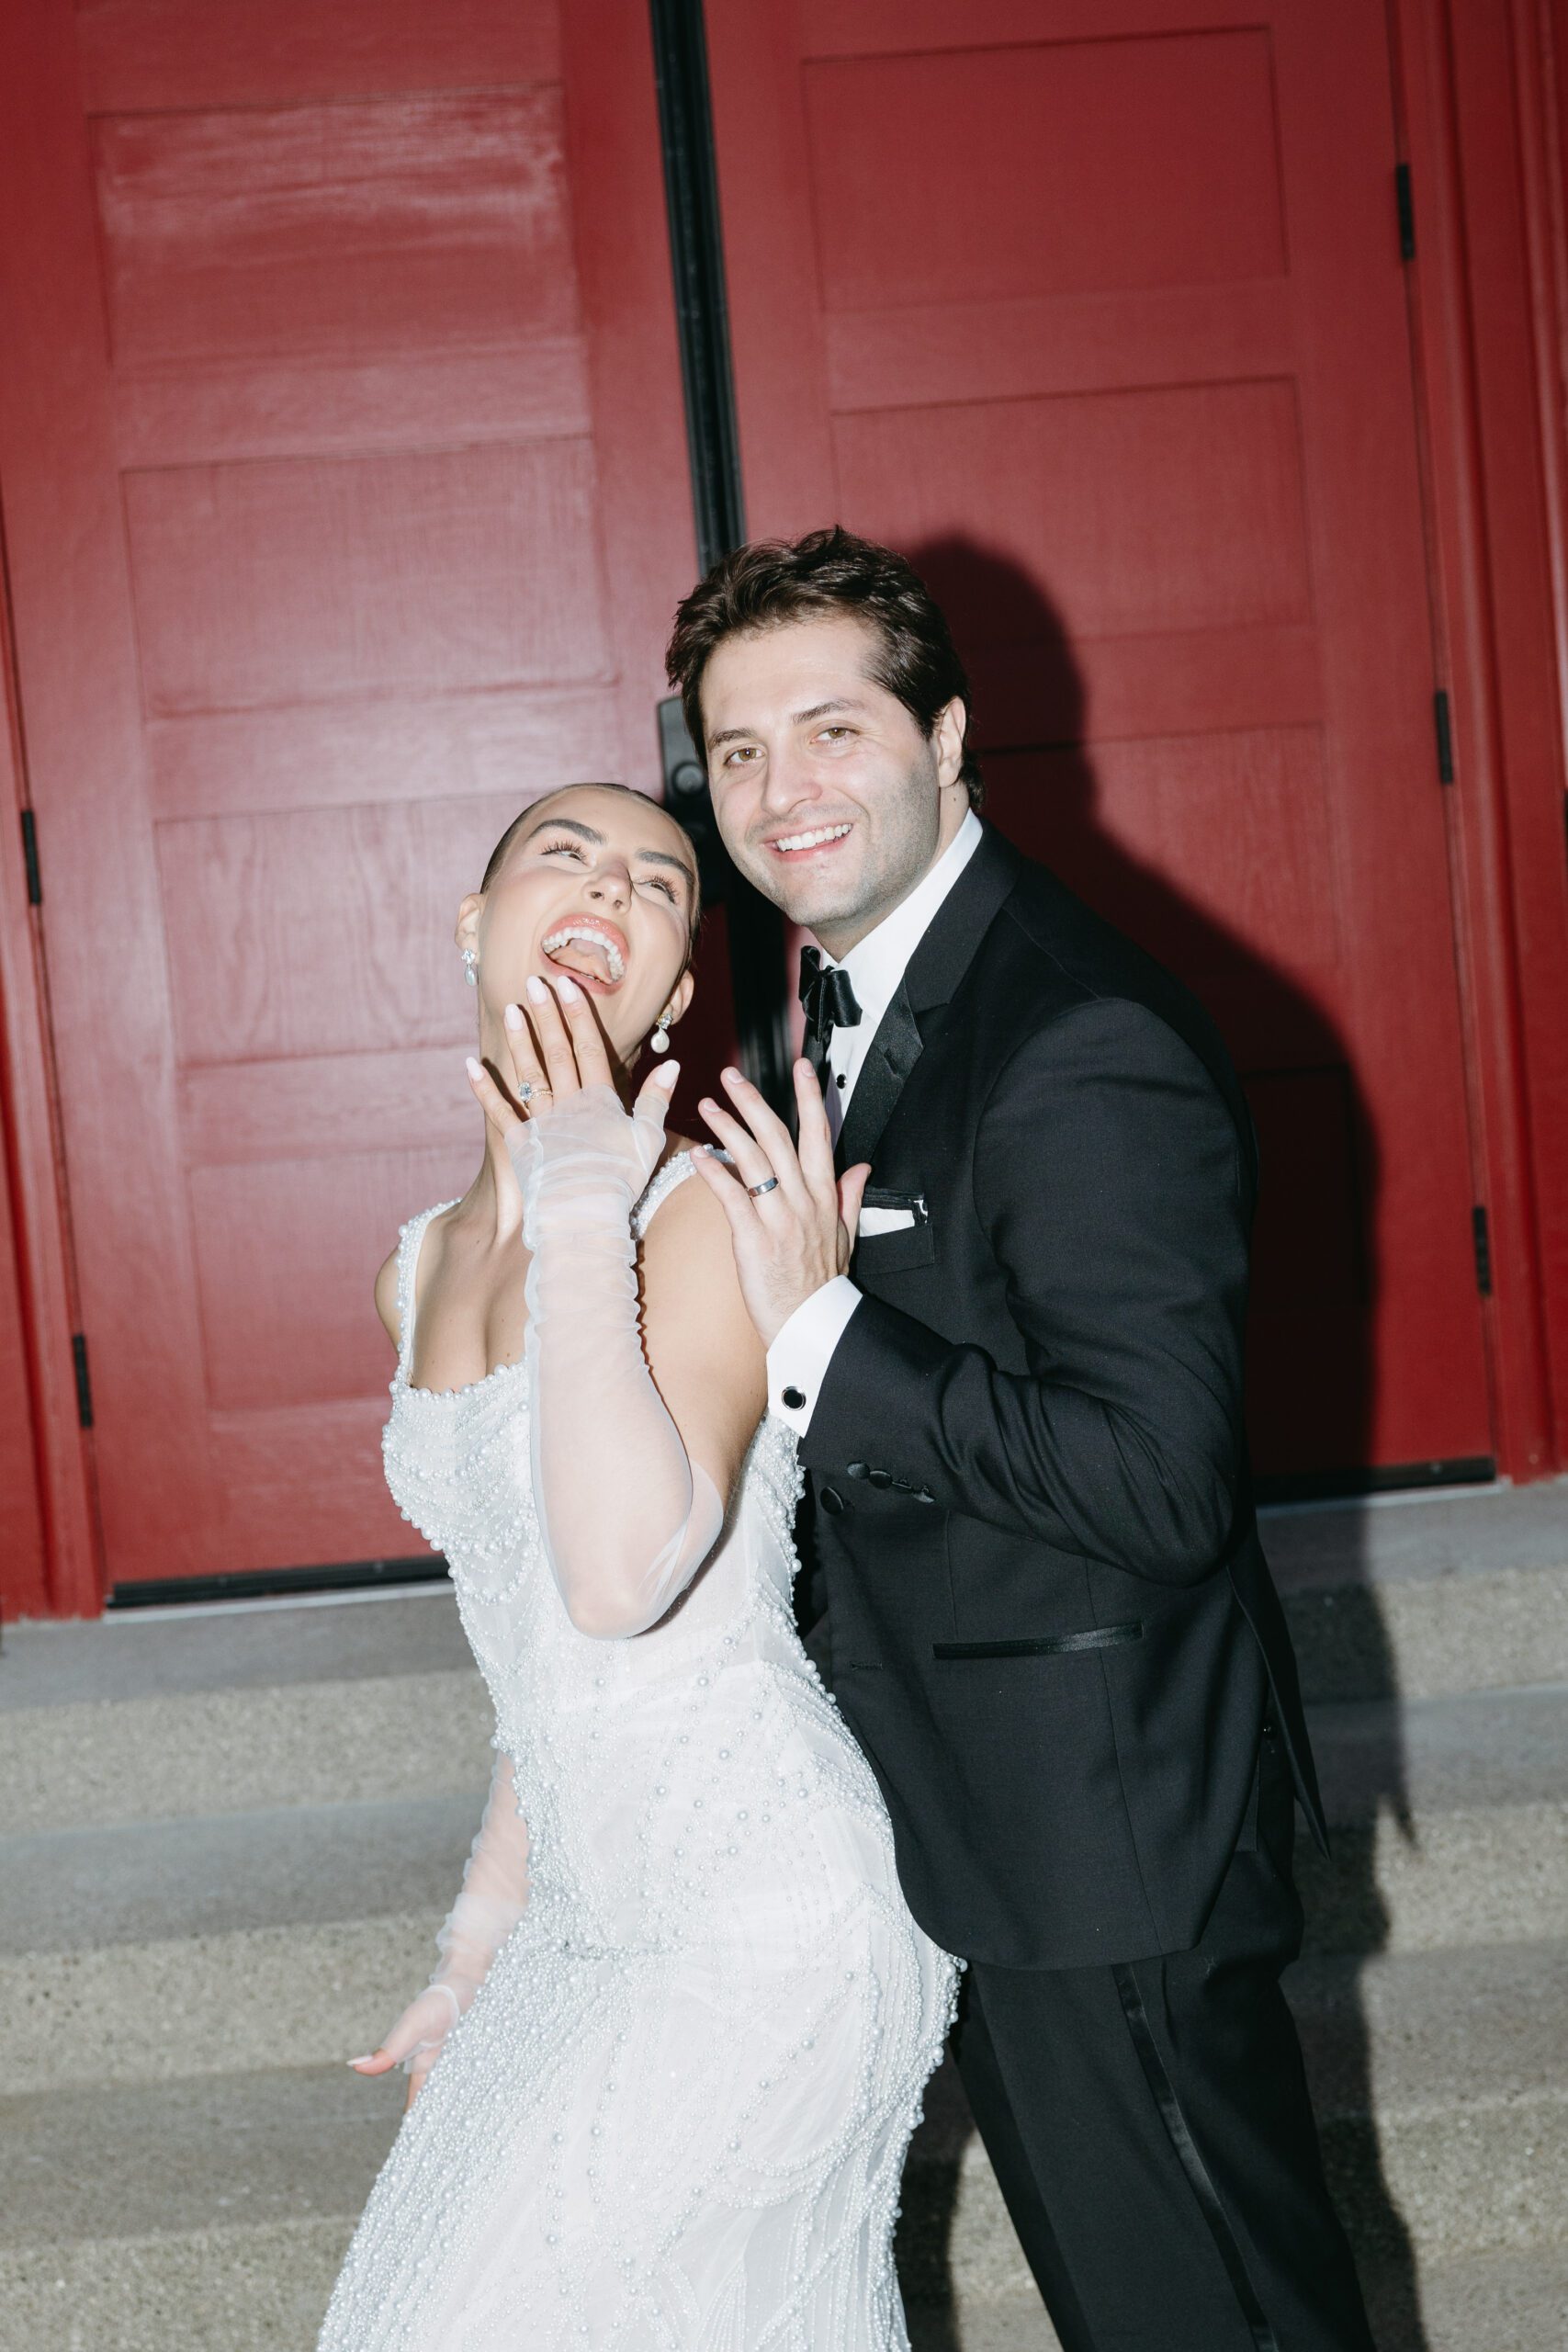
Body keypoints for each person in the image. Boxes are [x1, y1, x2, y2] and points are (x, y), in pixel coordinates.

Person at [671, 528, 1377, 2352]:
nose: (779, 789)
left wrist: (820, 1330)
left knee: (1203, 2312)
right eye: (735, 750)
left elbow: (1152, 1480)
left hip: (1102, 1826)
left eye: (829, 729)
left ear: (948, 735)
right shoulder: (841, 996)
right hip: (978, 1798)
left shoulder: (1073, 1034)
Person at [321, 780, 955, 2351]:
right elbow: (542, 1662)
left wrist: (587, 1179)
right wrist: (475, 1947)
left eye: (661, 882)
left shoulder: (697, 1214)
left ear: (676, 993)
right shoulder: (417, 1266)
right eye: (564, 854)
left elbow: (624, 1580)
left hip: (766, 1921)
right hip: (582, 1922)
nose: (609, 882)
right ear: (476, 928)